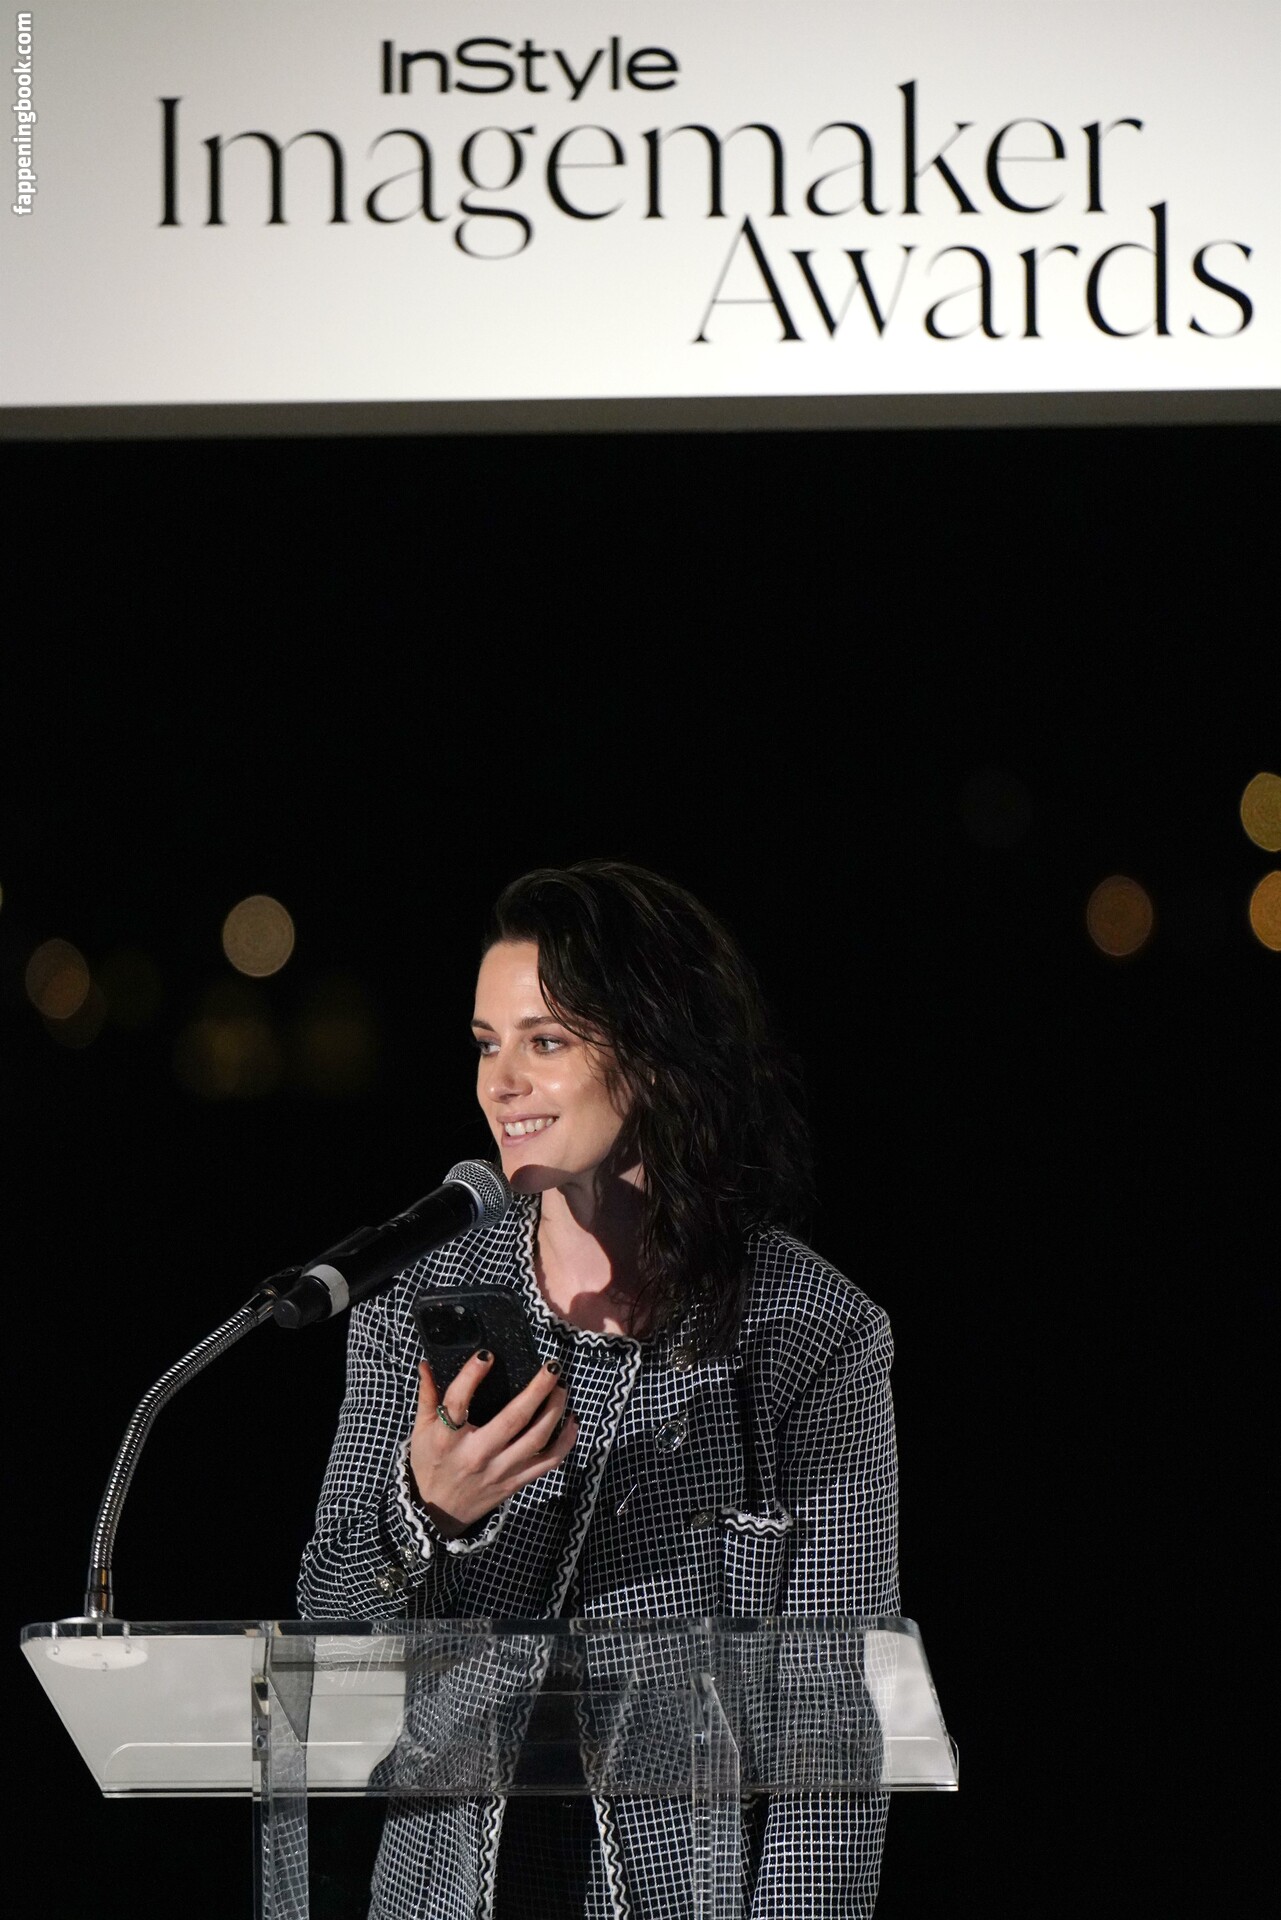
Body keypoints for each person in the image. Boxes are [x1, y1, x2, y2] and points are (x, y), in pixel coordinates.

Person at [298, 860, 900, 1919]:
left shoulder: (809, 1331)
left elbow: (829, 1741)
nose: (499, 1083)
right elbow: (327, 1640)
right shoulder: (421, 1304)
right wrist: (423, 1514)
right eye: (486, 1044)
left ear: (659, 1056)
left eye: (545, 1042)